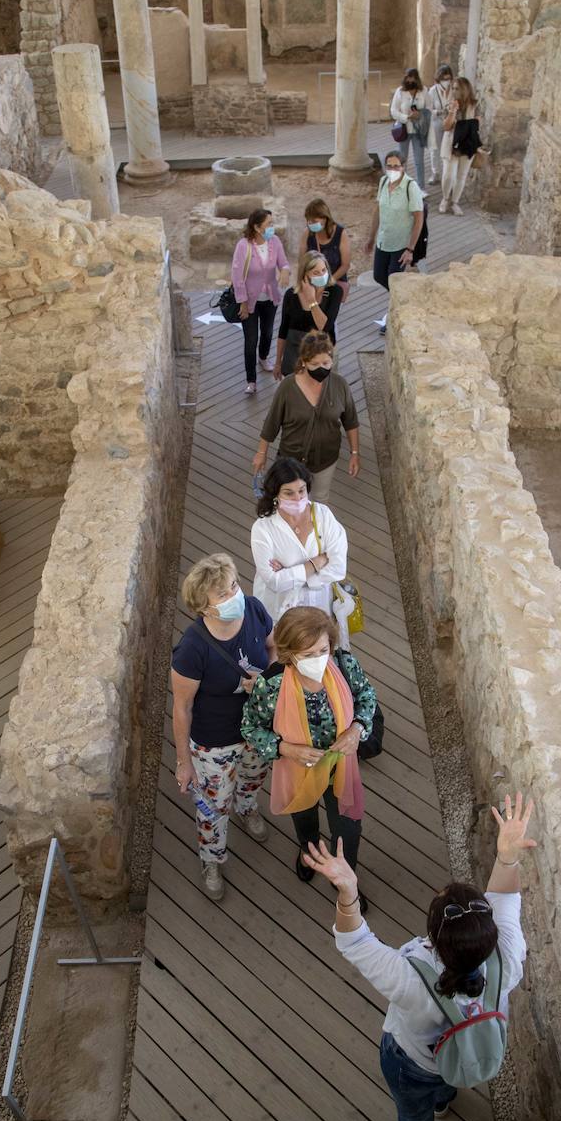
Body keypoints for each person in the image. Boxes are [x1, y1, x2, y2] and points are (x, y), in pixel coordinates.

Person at [302, 791, 534, 1121]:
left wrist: (348, 890)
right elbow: (505, 902)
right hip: (458, 1052)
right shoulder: (507, 957)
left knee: (414, 1119)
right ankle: (445, 1097)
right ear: (488, 935)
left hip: (412, 1061)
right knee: (445, 1077)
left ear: (435, 940)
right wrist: (509, 857)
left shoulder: (411, 980)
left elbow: (354, 941)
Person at [241, 606, 378, 910]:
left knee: (348, 829)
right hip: (297, 769)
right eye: (307, 655)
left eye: (323, 650)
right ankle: (309, 848)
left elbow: (367, 696)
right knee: (303, 815)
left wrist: (356, 729)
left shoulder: (344, 664)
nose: (318, 660)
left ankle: (344, 880)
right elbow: (250, 727)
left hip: (340, 768)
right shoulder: (271, 685)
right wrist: (286, 749)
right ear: (289, 655)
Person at [171, 553, 277, 901]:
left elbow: (273, 649)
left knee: (252, 778)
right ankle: (212, 858)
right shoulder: (191, 649)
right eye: (222, 594)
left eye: (234, 585)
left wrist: (266, 680)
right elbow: (183, 708)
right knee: (214, 805)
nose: (235, 596)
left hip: (256, 729)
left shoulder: (255, 609)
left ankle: (247, 809)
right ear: (203, 607)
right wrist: (184, 762)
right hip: (214, 742)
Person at [250, 456, 356, 648]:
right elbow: (273, 582)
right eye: (289, 493)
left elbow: (338, 568)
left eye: (301, 490)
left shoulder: (323, 515)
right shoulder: (263, 528)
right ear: (275, 494)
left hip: (318, 610)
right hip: (278, 613)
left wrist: (291, 574)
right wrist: (316, 563)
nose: (298, 498)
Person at [251, 333, 361, 504]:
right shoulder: (288, 386)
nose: (321, 368)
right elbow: (272, 422)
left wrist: (354, 453)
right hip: (291, 461)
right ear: (303, 361)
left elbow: (351, 421)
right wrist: (261, 452)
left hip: (326, 459)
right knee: (291, 503)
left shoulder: (340, 385)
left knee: (319, 501)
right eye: (315, 364)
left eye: (326, 363)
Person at [231, 208, 291, 395]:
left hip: (270, 298)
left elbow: (284, 262)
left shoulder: (275, 242)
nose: (272, 228)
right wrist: (242, 301)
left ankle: (263, 357)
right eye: (268, 224)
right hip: (249, 300)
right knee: (250, 340)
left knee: (266, 333)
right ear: (257, 227)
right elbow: (237, 275)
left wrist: (285, 271)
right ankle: (251, 380)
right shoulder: (243, 246)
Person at [365, 151, 424, 296]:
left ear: (403, 167)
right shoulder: (384, 181)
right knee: (378, 276)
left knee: (394, 280)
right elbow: (378, 211)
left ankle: (401, 302)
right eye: (389, 166)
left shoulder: (411, 187)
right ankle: (402, 300)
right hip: (384, 240)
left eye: (396, 166)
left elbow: (418, 219)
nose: (393, 170)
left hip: (401, 244)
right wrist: (371, 238)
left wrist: (410, 249)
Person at [275, 251, 341, 379]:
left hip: (322, 355)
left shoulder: (335, 292)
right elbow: (283, 330)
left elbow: (324, 326)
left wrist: (312, 301)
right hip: (295, 355)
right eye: (316, 273)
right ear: (305, 275)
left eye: (323, 270)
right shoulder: (291, 295)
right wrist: (278, 362)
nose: (322, 275)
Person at [439, 76, 480, 216]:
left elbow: (478, 124)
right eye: (453, 88)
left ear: (465, 90)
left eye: (457, 88)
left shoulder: (474, 105)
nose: (454, 91)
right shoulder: (449, 104)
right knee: (449, 175)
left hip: (467, 143)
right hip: (451, 143)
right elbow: (445, 126)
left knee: (462, 176)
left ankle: (455, 202)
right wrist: (452, 112)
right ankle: (445, 199)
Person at [303, 198, 351, 308]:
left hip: (334, 282)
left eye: (314, 221)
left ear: (325, 218)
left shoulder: (341, 234)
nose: (310, 224)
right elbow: (302, 261)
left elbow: (345, 265)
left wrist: (327, 282)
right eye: (308, 221)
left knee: (330, 320)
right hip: (312, 284)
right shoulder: (307, 233)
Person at [389, 68, 430, 191]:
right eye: (408, 77)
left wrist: (420, 114)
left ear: (416, 78)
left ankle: (421, 189)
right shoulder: (400, 92)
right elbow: (393, 111)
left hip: (418, 131)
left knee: (419, 160)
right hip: (404, 130)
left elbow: (429, 108)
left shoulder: (424, 91)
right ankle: (400, 187)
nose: (410, 80)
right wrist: (406, 117)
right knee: (402, 160)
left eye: (412, 78)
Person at [425, 63, 454, 187]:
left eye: (448, 79)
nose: (446, 82)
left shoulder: (453, 90)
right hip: (437, 122)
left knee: (449, 148)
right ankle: (435, 173)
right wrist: (439, 112)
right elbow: (427, 110)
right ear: (439, 79)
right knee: (435, 148)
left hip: (450, 122)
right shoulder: (432, 91)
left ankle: (447, 175)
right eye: (444, 79)